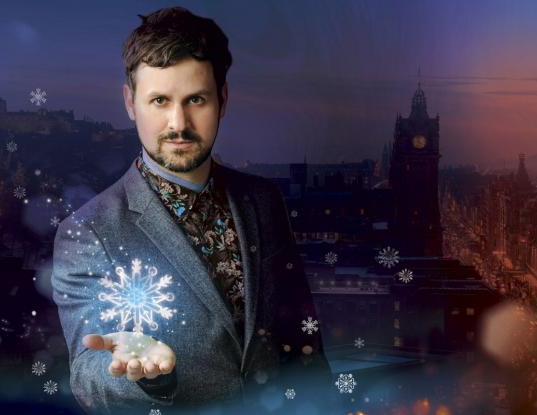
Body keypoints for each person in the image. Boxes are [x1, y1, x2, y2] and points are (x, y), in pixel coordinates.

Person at [51, 6, 330, 414]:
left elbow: (303, 341)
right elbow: (89, 375)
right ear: (130, 102)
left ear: (223, 99)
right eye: (159, 100)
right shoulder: (89, 229)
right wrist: (144, 372)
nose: (178, 123)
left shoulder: (264, 200)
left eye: (195, 99)